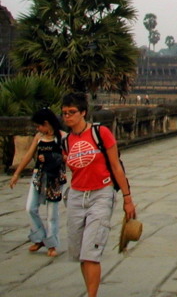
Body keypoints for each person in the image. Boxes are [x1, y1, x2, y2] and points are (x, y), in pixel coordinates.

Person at [61, 92, 136, 297]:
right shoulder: (66, 142)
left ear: (83, 112)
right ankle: (89, 290)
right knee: (81, 254)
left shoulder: (100, 133)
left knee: (91, 252)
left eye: (72, 112)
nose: (68, 117)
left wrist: (127, 199)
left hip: (101, 194)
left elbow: (116, 166)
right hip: (76, 196)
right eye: (65, 113)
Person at [9, 108, 68, 258]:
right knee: (30, 208)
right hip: (39, 175)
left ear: (46, 123)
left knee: (51, 213)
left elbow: (68, 157)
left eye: (39, 126)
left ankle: (52, 243)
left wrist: (51, 158)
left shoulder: (62, 137)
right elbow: (29, 155)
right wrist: (17, 173)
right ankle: (39, 237)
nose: (38, 129)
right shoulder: (39, 137)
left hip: (54, 177)